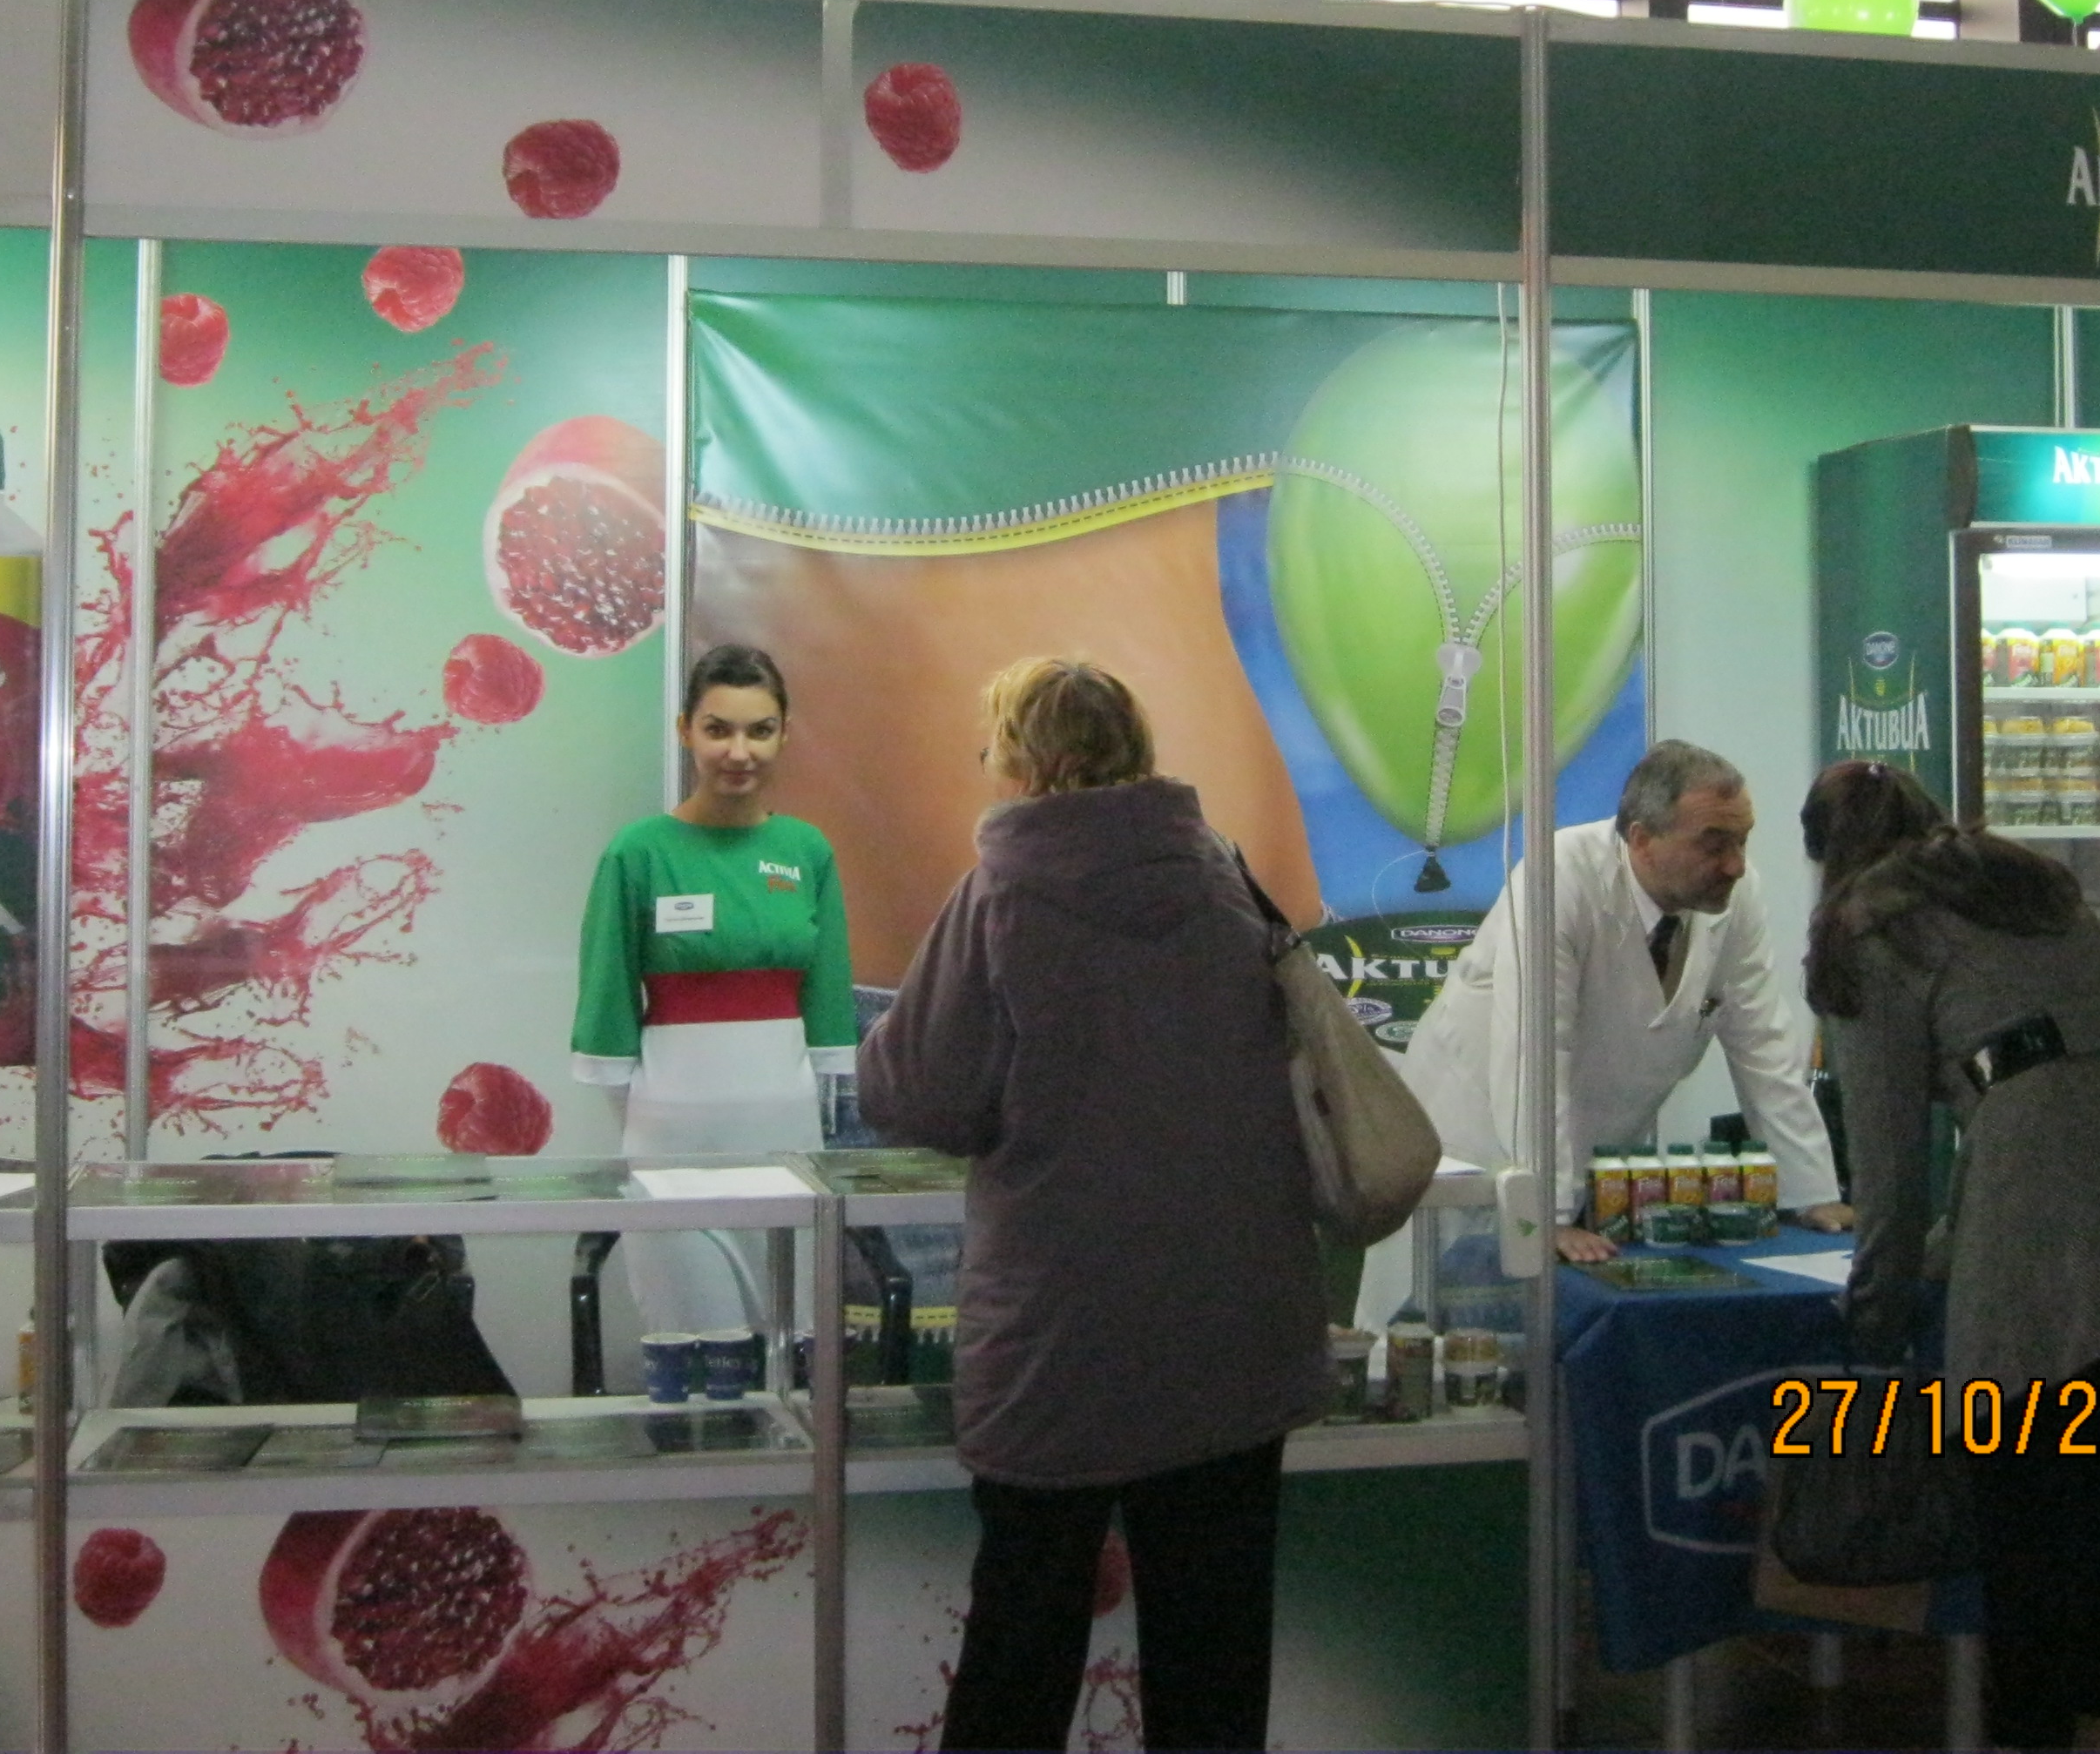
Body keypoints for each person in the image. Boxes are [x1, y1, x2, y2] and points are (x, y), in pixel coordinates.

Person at [861, 658, 1327, 1754]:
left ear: (1024, 759)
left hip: (1061, 1330)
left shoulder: (1001, 895)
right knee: (1214, 1658)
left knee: (1020, 1648)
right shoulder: (1226, 881)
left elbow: (918, 1095)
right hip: (1230, 1323)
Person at [1800, 759, 2100, 1754]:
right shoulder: (2027, 885)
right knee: (2079, 1489)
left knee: (2023, 1504)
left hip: (2051, 1214)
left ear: (1828, 856)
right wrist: (1951, 1248)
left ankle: (2031, 1733)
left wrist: (1874, 1315)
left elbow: (1890, 1167)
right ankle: (2091, 1723)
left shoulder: (1868, 925)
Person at [1390, 739, 1851, 1288]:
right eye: (1713, 844)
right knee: (1434, 1316)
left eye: (1742, 840)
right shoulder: (1559, 877)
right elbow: (1534, 1053)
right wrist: (1549, 1213)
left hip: (1580, 1150)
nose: (1734, 864)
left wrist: (1811, 1193)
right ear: (1641, 840)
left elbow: (1764, 1046)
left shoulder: (1736, 894)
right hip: (1471, 1135)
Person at [573, 644, 858, 1337]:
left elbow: (828, 1004)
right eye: (718, 729)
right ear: (685, 731)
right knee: (693, 1340)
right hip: (671, 1138)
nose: (739, 751)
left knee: (793, 1341)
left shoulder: (807, 852)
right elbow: (607, 1004)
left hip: (787, 1137)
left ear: (784, 735)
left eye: (760, 730)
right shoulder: (637, 853)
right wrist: (640, 1119)